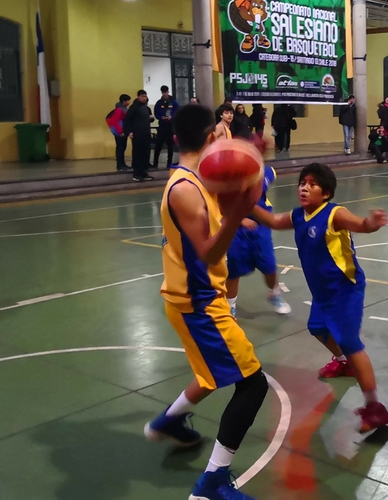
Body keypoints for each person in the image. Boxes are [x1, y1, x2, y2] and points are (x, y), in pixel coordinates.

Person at [144, 103, 268, 500]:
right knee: (253, 385)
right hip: (199, 305)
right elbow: (210, 254)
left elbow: (223, 199)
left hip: (193, 299)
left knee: (209, 376)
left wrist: (253, 157)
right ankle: (212, 482)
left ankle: (167, 422)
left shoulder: (198, 179)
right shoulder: (184, 189)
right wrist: (241, 210)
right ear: (212, 134)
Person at [253, 163, 388, 433]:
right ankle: (344, 364)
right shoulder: (297, 216)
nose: (304, 187)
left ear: (326, 193)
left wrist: (371, 224)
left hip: (345, 289)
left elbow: (360, 224)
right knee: (317, 328)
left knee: (350, 341)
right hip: (322, 292)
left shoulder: (334, 213)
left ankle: (374, 408)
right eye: (302, 182)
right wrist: (244, 204)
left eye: (312, 184)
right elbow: (271, 220)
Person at [226, 164, 292, 318]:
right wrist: (240, 219)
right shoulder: (225, 182)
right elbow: (218, 206)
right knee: (233, 270)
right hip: (235, 229)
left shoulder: (263, 175)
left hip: (260, 228)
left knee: (269, 267)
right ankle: (230, 307)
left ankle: (274, 294)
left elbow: (271, 171)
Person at [124, 90, 154, 181]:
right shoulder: (134, 107)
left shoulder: (146, 108)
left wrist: (151, 119)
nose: (144, 98)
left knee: (146, 153)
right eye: (142, 96)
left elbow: (149, 119)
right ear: (138, 97)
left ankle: (144, 172)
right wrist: (129, 132)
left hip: (146, 133)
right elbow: (127, 120)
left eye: (145, 96)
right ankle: (136, 173)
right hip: (137, 134)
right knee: (137, 153)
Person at [153, 85, 179, 170]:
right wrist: (161, 117)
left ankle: (169, 163)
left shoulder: (173, 102)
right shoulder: (159, 103)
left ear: (168, 92)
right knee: (158, 144)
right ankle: (155, 163)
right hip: (162, 126)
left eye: (166, 92)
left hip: (170, 126)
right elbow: (156, 114)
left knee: (170, 145)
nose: (165, 94)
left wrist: (172, 116)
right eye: (163, 92)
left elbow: (177, 111)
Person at [106, 94, 131, 171]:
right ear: (124, 101)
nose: (129, 102)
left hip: (122, 131)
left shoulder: (123, 109)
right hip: (120, 132)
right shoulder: (119, 110)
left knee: (122, 148)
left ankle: (122, 164)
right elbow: (115, 121)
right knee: (120, 148)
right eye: (128, 100)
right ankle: (120, 165)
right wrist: (120, 132)